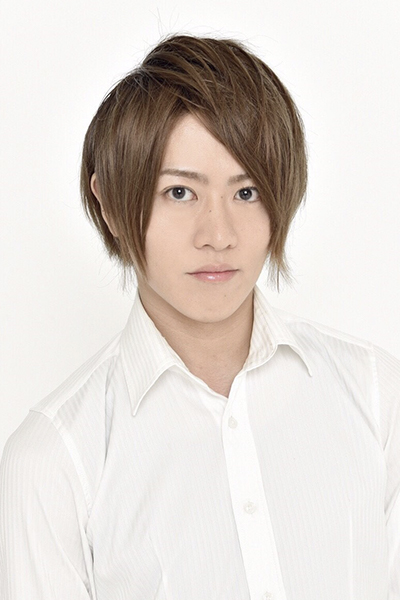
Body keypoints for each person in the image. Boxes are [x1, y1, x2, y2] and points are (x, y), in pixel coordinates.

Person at [0, 33, 399, 600]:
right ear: (109, 202)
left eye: (247, 192)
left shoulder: (376, 395)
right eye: (180, 193)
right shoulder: (54, 459)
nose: (219, 235)